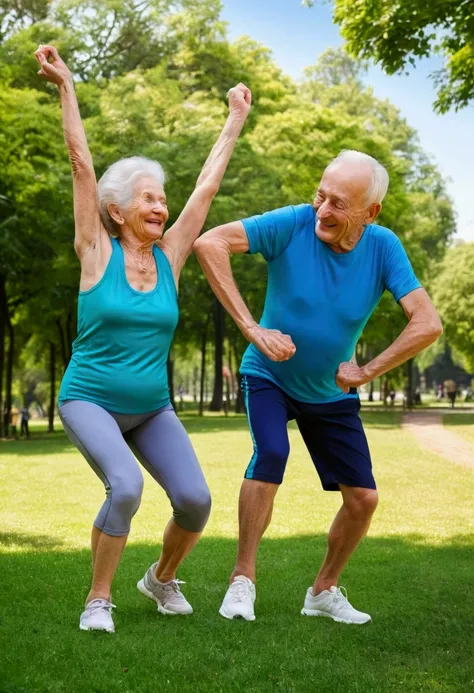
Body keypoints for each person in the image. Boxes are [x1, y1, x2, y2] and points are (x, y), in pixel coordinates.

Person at [34, 44, 251, 633]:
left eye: (161, 198)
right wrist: (66, 86)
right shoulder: (94, 250)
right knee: (125, 486)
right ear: (117, 209)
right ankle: (98, 600)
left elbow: (205, 190)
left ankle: (159, 577)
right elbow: (81, 162)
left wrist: (234, 121)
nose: (161, 206)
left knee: (197, 501)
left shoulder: (171, 255)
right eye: (149, 197)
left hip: (152, 407)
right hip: (90, 399)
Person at [194, 149, 442, 624]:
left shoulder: (383, 247)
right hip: (270, 377)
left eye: (339, 204)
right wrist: (253, 330)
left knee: (364, 499)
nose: (323, 212)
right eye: (320, 196)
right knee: (271, 454)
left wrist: (365, 372)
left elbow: (427, 322)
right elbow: (210, 244)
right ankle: (241, 580)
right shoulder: (292, 223)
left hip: (331, 392)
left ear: (370, 213)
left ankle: (323, 590)